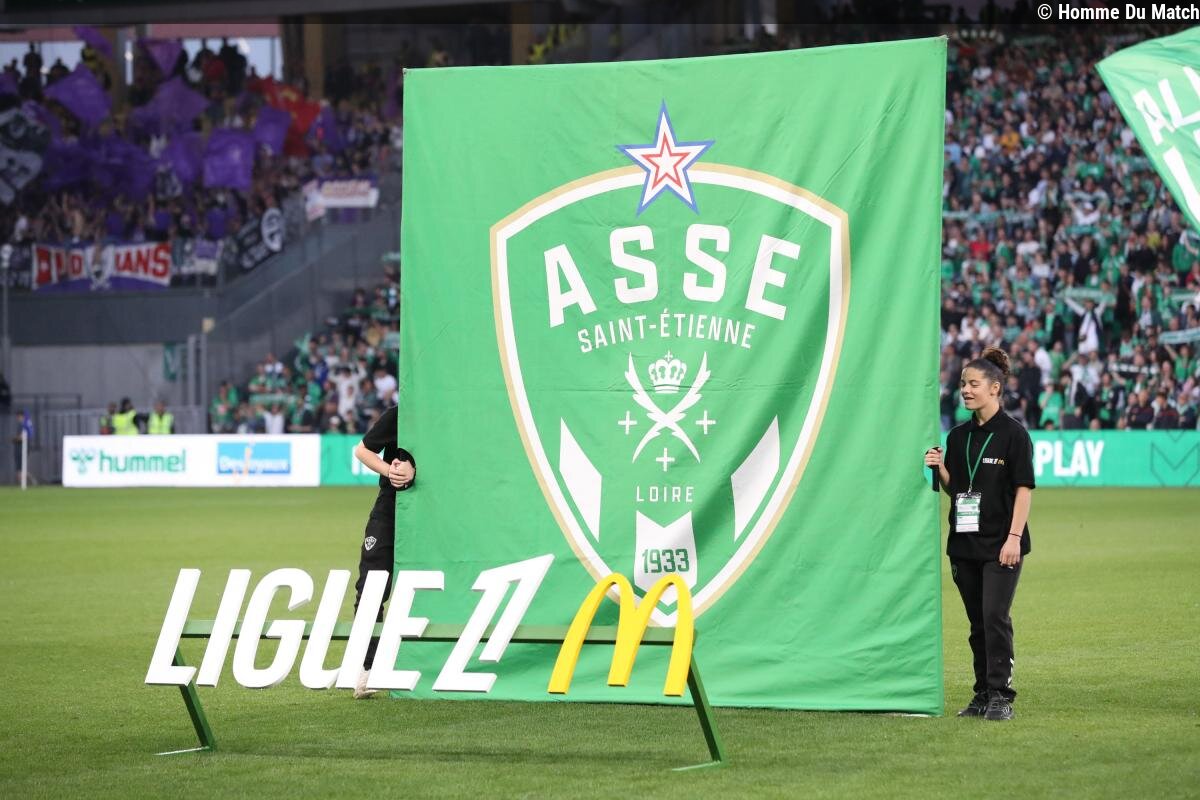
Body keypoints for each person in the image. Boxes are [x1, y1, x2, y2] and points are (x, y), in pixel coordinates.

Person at [924, 346, 1035, 722]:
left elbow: (1023, 490)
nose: (965, 390)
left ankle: (1002, 695)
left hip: (1002, 545)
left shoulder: (1014, 435)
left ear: (995, 388)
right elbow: (958, 489)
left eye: (973, 384)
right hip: (964, 544)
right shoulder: (957, 437)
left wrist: (1014, 538)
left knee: (994, 617)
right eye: (962, 384)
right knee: (977, 624)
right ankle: (982, 694)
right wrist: (940, 468)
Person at [349, 405, 415, 699]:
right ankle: (367, 668)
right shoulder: (400, 413)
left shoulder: (448, 415)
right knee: (370, 588)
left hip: (432, 513)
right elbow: (362, 450)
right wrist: (391, 470)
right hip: (389, 510)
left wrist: (415, 469)